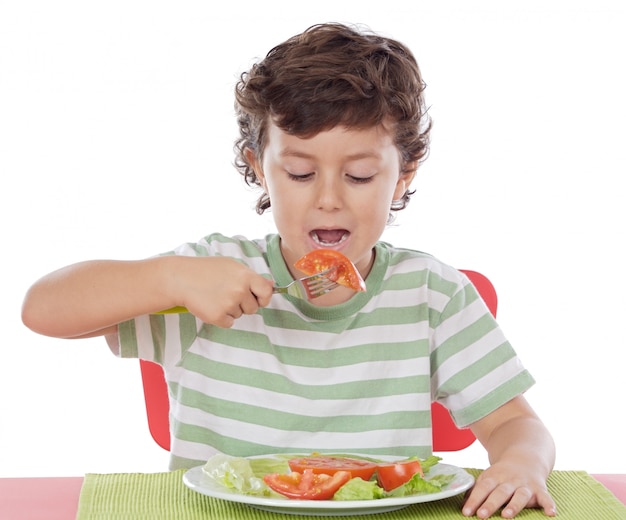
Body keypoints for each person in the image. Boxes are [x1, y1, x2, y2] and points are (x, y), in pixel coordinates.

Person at [21, 23, 556, 519]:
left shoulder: (432, 295)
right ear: (260, 169)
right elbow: (42, 310)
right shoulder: (207, 275)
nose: (328, 199)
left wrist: (520, 464)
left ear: (401, 176)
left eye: (360, 175)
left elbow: (515, 424)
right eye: (300, 173)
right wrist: (169, 279)